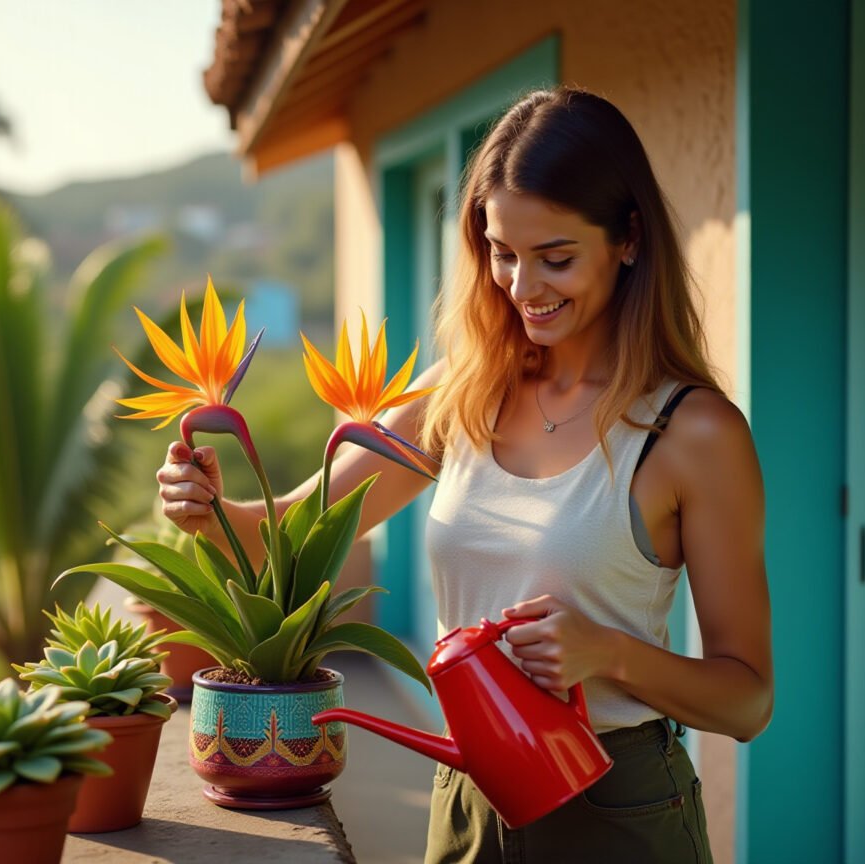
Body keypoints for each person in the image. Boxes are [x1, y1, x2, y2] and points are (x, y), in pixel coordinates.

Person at [155, 87, 771, 864]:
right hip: (468, 797)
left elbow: (747, 699)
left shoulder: (693, 433)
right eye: (501, 252)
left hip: (617, 807)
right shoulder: (463, 390)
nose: (521, 287)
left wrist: (609, 654)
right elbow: (290, 530)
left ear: (628, 240)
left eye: (555, 257)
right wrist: (207, 507)